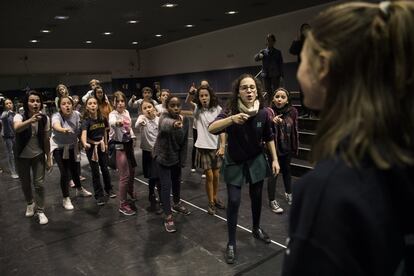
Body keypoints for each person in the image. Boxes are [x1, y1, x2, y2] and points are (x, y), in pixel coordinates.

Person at [282, 2, 414, 275]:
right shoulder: (400, 151)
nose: (298, 71)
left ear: (322, 66)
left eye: (304, 58)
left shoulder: (328, 191)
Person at [209, 74, 280, 264]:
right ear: (238, 92)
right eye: (244, 88)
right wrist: (231, 119)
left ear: (257, 90)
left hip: (256, 160)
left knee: (257, 198)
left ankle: (256, 229)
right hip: (235, 160)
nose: (249, 91)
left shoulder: (263, 112)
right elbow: (212, 128)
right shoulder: (230, 109)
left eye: (252, 87)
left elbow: (269, 136)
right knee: (233, 200)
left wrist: (274, 159)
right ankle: (231, 243)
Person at [13, 90, 52, 225]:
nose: (35, 103)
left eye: (37, 101)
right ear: (26, 103)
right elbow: (17, 128)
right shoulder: (19, 116)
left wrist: (49, 157)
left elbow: (46, 139)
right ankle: (30, 202)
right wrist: (30, 120)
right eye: (32, 101)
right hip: (22, 155)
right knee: (25, 183)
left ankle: (40, 210)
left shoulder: (45, 119)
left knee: (39, 184)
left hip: (38, 154)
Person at [153, 95, 191, 233]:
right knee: (166, 186)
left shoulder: (185, 120)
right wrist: (174, 124)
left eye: (178, 105)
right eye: (172, 105)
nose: (175, 108)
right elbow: (165, 125)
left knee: (176, 182)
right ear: (167, 107)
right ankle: (168, 216)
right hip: (163, 157)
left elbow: (185, 141)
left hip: (176, 157)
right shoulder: (164, 117)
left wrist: (183, 160)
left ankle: (176, 203)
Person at [186, 84, 226, 215]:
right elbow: (187, 102)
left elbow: (222, 130)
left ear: (210, 96)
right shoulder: (198, 109)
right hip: (203, 147)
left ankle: (215, 197)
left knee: (216, 175)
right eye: (201, 96)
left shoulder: (218, 109)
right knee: (209, 175)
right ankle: (211, 202)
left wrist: (222, 146)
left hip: (215, 147)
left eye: (206, 95)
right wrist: (191, 93)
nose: (204, 98)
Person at [51, 96, 92, 210]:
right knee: (65, 173)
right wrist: (63, 130)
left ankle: (79, 190)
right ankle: (66, 198)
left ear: (72, 105)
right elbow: (55, 125)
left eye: (68, 103)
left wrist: (82, 141)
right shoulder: (56, 116)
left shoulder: (77, 114)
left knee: (75, 170)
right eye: (63, 104)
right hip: (59, 148)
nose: (67, 105)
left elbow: (81, 129)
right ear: (60, 106)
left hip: (73, 146)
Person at [266, 88, 298, 214]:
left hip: (287, 147)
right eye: (277, 96)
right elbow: (265, 126)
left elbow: (295, 130)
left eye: (283, 97)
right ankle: (272, 200)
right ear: (273, 98)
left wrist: (294, 147)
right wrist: (272, 121)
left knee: (287, 171)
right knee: (273, 174)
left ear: (287, 100)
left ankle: (289, 193)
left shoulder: (293, 111)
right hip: (273, 148)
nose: (279, 99)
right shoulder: (268, 112)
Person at [81, 97, 114, 206]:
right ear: (87, 106)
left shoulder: (102, 118)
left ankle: (109, 189)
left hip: (101, 146)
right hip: (91, 148)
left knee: (105, 168)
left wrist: (105, 142)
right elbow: (83, 134)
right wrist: (85, 143)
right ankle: (99, 195)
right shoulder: (86, 121)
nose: (92, 105)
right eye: (90, 103)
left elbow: (105, 131)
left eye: (94, 103)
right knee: (95, 172)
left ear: (97, 106)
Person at [109, 91, 138, 216]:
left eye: (122, 101)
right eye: (118, 101)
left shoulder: (126, 112)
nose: (120, 103)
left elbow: (128, 127)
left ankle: (130, 191)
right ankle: (122, 204)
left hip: (128, 144)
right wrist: (117, 123)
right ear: (114, 103)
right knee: (124, 175)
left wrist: (133, 136)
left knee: (132, 171)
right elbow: (111, 122)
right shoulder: (113, 114)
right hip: (118, 146)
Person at [135, 100, 161, 213]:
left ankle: (160, 198)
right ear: (142, 111)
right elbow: (137, 124)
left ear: (154, 108)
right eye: (145, 108)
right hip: (147, 151)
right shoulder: (142, 118)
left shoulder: (159, 119)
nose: (148, 109)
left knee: (158, 176)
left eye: (149, 107)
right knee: (151, 176)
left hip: (158, 151)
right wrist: (141, 122)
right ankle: (151, 194)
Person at [289, 23, 312, 118]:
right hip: (303, 69)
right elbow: (292, 51)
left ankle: (313, 111)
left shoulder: (314, 40)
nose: (305, 31)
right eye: (303, 29)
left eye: (307, 29)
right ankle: (305, 111)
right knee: (303, 91)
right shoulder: (300, 42)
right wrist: (296, 40)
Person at [1, 98, 18, 178]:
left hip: (15, 136)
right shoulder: (5, 113)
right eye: (7, 104)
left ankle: (17, 169)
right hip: (7, 137)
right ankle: (13, 172)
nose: (9, 105)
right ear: (4, 106)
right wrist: (8, 112)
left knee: (16, 153)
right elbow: (3, 117)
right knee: (10, 154)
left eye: (10, 103)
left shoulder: (14, 114)